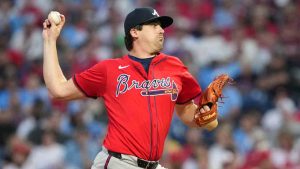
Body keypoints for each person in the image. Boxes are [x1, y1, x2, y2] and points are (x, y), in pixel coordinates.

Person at [42, 7, 213, 169]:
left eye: (161, 26)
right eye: (154, 26)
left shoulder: (174, 66)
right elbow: (58, 90)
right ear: (134, 32)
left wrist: (205, 117)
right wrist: (50, 40)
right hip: (119, 163)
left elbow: (187, 111)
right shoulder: (109, 70)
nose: (161, 30)